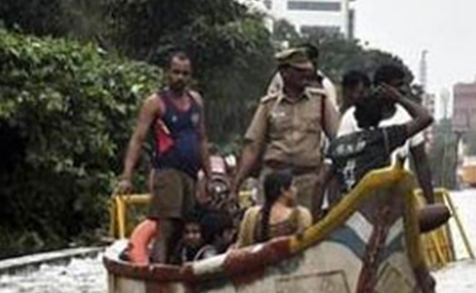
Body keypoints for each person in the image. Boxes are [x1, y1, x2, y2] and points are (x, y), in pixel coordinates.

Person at [118, 52, 212, 264]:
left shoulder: (196, 101)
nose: (180, 77)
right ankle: (159, 272)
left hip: (191, 174)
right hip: (167, 171)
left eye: (185, 73)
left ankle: (179, 268)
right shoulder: (155, 103)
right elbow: (137, 139)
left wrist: (209, 176)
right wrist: (127, 176)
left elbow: (203, 139)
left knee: (187, 226)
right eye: (176, 72)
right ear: (167, 73)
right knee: (166, 226)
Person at [234, 48, 340, 214]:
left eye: (307, 71)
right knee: (270, 228)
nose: (305, 75)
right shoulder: (268, 105)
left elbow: (338, 140)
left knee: (305, 231)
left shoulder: (321, 101)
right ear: (284, 72)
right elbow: (252, 147)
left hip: (307, 182)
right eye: (298, 71)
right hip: (273, 180)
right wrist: (237, 184)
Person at [372, 63, 438, 205]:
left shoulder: (407, 118)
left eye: (404, 85)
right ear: (382, 88)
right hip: (366, 201)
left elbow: (421, 163)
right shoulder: (357, 116)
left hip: (399, 202)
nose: (403, 90)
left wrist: (431, 204)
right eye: (397, 86)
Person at [237, 170, 313, 247]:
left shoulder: (253, 215)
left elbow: (243, 246)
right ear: (283, 190)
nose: (295, 190)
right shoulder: (301, 215)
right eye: (293, 186)